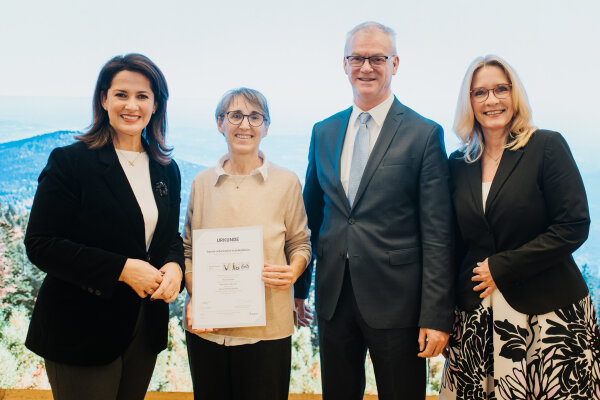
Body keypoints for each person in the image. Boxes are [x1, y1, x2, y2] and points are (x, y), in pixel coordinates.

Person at [297, 21, 454, 400]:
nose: (366, 67)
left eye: (377, 58)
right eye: (357, 58)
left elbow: (438, 233)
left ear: (395, 63)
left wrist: (435, 315)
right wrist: (300, 289)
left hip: (397, 303)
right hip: (334, 298)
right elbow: (311, 216)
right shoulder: (324, 130)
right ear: (345, 64)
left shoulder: (424, 133)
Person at [24, 53, 184, 400]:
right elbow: (41, 243)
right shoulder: (71, 162)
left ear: (156, 104)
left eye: (143, 96)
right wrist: (121, 269)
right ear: (104, 99)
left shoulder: (166, 169)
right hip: (80, 328)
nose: (132, 105)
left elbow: (169, 237)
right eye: (121, 94)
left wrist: (175, 265)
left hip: (144, 329)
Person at [439, 54, 600, 399]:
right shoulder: (457, 163)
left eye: (501, 89)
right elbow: (451, 244)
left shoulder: (546, 146)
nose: (492, 100)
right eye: (480, 92)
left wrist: (502, 267)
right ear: (468, 102)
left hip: (548, 316)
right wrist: (443, 315)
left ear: (515, 95)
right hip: (475, 318)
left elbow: (573, 224)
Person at [182, 87, 311, 400]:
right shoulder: (201, 183)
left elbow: (300, 243)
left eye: (255, 117)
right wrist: (196, 295)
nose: (245, 125)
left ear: (266, 128)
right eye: (235, 115)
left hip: (268, 330)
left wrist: (293, 271)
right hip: (207, 329)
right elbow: (188, 250)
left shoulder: (287, 181)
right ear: (220, 123)